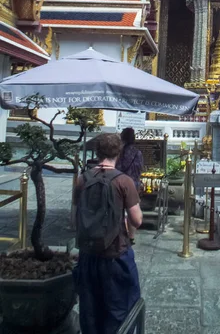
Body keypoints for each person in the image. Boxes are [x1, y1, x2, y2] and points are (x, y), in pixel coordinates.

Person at [73, 132, 143, 334]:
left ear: (96, 151)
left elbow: (73, 218)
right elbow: (136, 220)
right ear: (119, 152)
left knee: (90, 309)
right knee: (119, 309)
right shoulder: (124, 181)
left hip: (87, 255)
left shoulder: (82, 179)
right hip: (115, 254)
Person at [116, 127, 144, 244]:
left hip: (120, 183)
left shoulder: (119, 152)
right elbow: (140, 168)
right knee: (133, 209)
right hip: (134, 184)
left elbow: (117, 168)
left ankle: (119, 233)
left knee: (118, 209)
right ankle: (131, 237)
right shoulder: (138, 153)